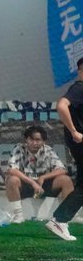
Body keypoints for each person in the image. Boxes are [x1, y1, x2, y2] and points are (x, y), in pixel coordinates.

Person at [48, 61, 83, 241]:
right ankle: (60, 220)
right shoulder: (79, 88)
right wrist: (74, 131)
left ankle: (60, 219)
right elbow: (61, 105)